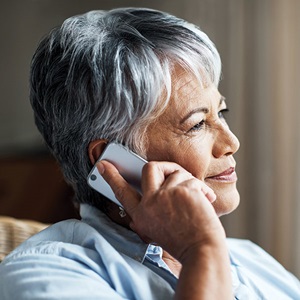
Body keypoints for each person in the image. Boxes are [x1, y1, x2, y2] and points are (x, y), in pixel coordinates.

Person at [0, 7, 299, 299]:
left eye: (222, 112)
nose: (231, 142)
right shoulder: (47, 274)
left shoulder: (252, 260)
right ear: (112, 162)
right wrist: (202, 251)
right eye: (197, 125)